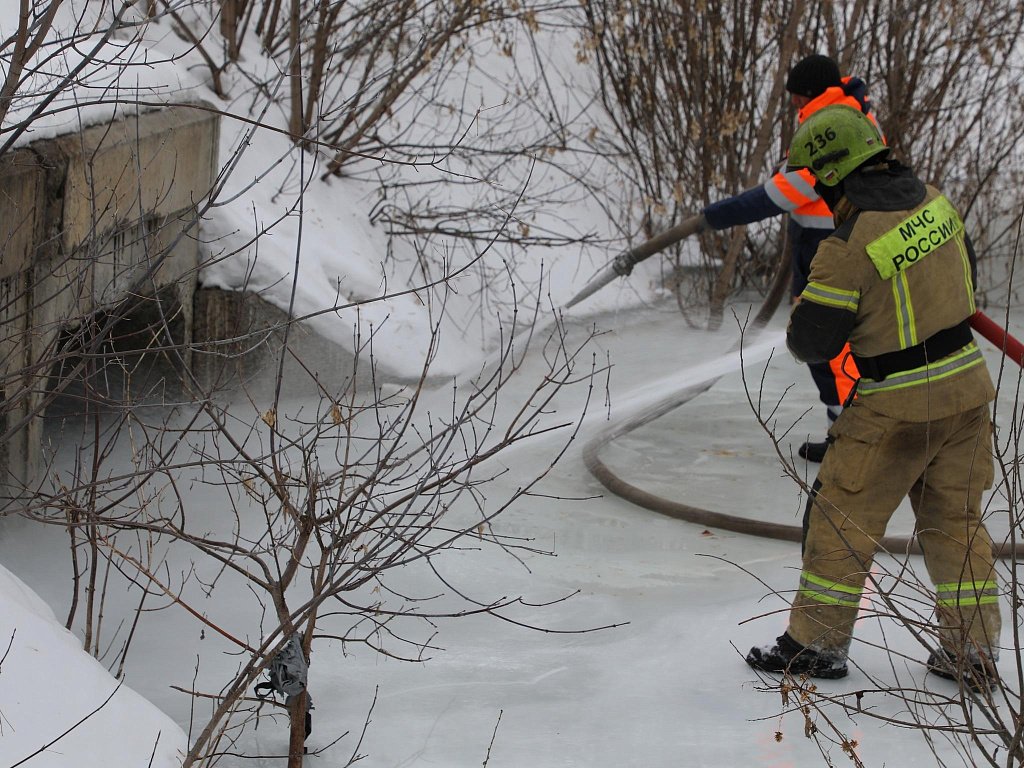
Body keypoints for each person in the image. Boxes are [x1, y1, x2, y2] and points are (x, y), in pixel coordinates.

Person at [745, 104, 1001, 690]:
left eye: (815, 178)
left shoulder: (847, 247)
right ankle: (973, 654)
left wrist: (809, 307)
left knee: (840, 519)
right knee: (957, 525)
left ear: (833, 172)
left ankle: (815, 646)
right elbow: (965, 283)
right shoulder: (936, 202)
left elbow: (812, 343)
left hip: (897, 405)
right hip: (967, 388)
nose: (817, 192)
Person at [701, 54, 879, 462]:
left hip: (827, 245)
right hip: (825, 240)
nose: (795, 106)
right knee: (835, 342)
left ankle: (849, 438)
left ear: (812, 93)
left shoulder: (830, 126)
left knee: (826, 343)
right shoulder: (852, 112)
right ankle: (849, 430)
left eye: (798, 98)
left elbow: (786, 192)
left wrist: (717, 215)